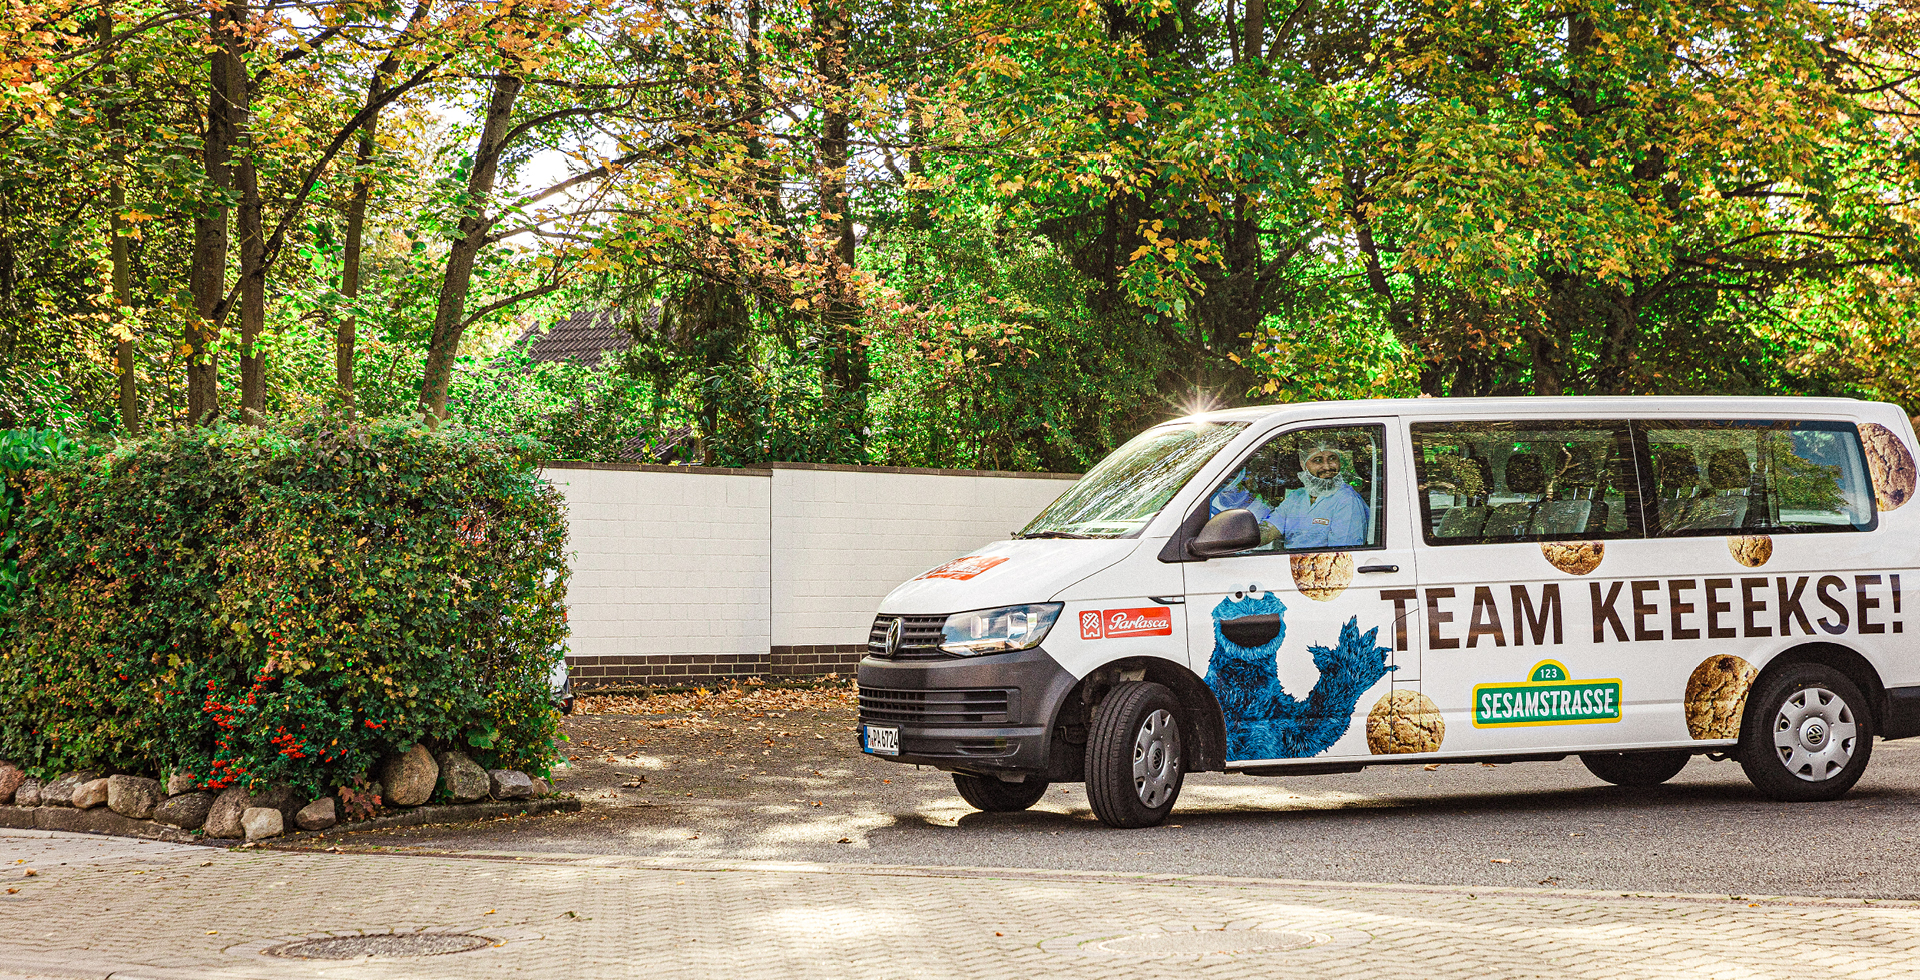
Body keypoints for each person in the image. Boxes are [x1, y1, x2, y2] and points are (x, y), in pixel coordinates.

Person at [1267, 439, 1369, 548]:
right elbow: (1269, 529)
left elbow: (1341, 556)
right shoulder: (1297, 497)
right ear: (1303, 464)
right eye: (1318, 460)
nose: (1327, 466)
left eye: (1332, 458)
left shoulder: (1347, 500)